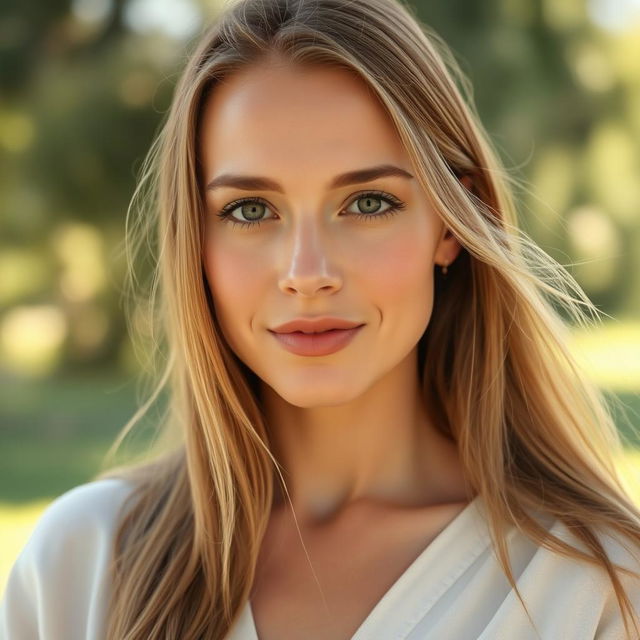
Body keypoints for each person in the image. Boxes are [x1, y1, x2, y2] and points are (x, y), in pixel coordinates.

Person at [2, 0, 640, 638]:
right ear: (193, 237)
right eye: (250, 210)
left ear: (451, 222)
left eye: (367, 202)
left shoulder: (595, 586)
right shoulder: (84, 563)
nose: (307, 272)